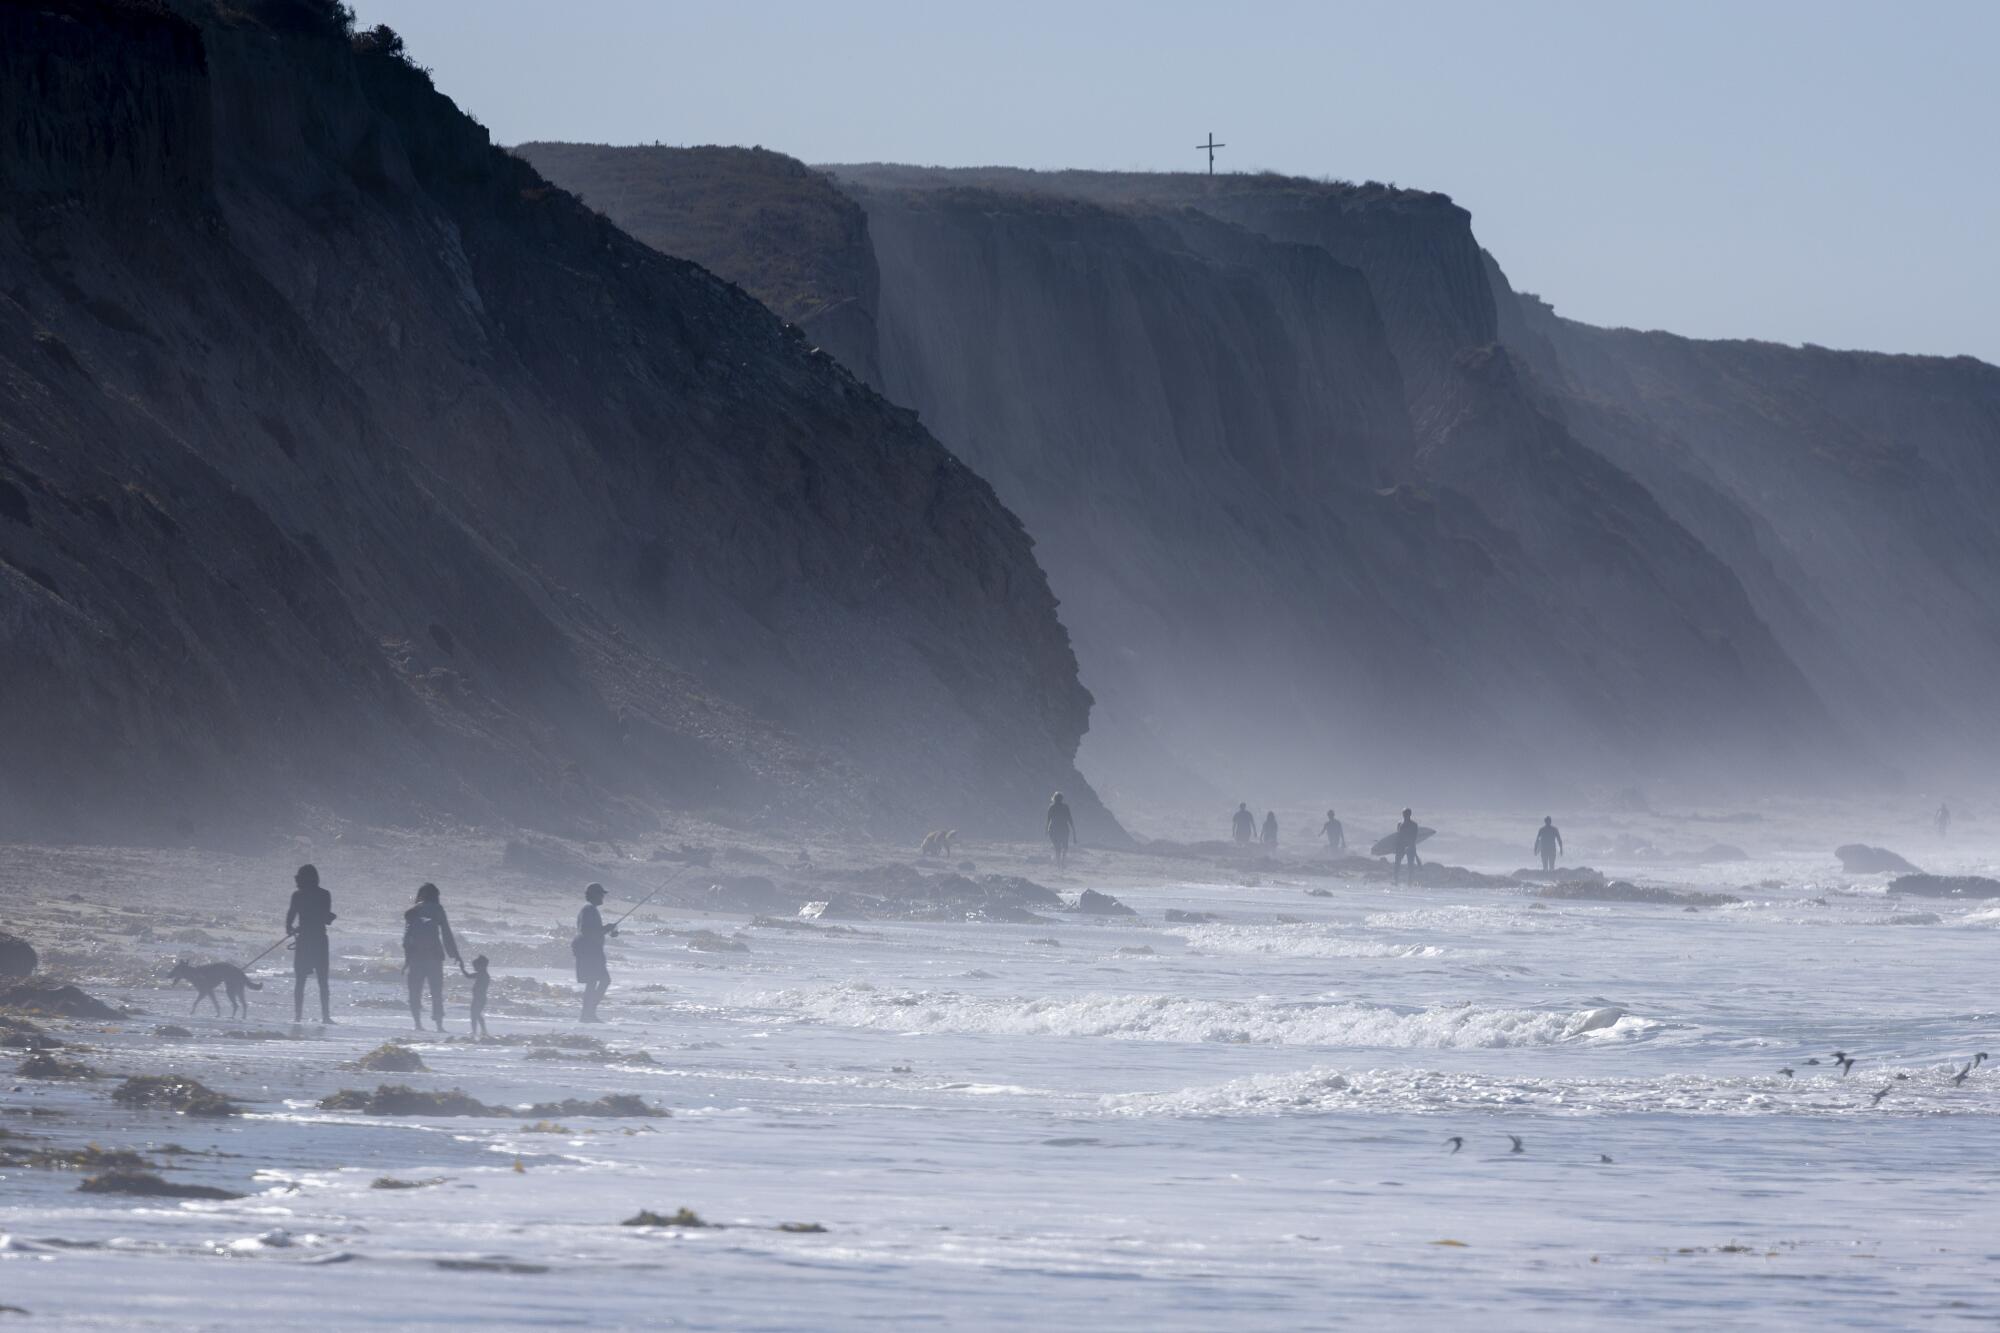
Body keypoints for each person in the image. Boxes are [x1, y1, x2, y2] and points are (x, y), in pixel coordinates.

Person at [401, 882, 460, 1032]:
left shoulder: (413, 911)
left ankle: (417, 1024)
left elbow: (407, 937)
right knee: (436, 991)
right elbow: (446, 933)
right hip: (434, 957)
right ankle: (439, 1025)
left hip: (416, 957)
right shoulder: (438, 909)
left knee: (415, 991)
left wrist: (407, 959)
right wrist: (455, 954)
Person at [284, 863, 336, 1024]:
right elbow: (325, 918)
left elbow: (290, 918)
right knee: (322, 981)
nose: (297, 881)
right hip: (319, 940)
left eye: (299, 878)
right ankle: (325, 1017)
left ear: (305, 879)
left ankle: (298, 1016)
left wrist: (292, 929)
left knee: (300, 980)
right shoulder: (324, 894)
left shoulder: (297, 896)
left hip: (304, 941)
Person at [573, 882, 617, 1023]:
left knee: (594, 982)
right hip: (588, 951)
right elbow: (587, 931)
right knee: (602, 980)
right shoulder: (589, 909)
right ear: (594, 895)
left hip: (589, 950)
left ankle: (588, 1014)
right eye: (601, 894)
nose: (603, 897)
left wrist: (607, 929)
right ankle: (588, 1014)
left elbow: (592, 930)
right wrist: (605, 929)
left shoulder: (590, 909)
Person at [1046, 792, 1076, 868]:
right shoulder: (1056, 807)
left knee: (1060, 848)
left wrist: (1046, 830)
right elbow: (1070, 819)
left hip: (1057, 830)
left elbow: (1048, 820)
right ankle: (1060, 863)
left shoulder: (1053, 807)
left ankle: (1060, 863)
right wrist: (1074, 832)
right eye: (1058, 799)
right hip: (1060, 829)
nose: (1059, 800)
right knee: (1061, 847)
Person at [465, 954, 491, 1039]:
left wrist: (462, 968)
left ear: (482, 966)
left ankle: (474, 1032)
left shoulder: (483, 975)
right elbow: (468, 976)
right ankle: (483, 1031)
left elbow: (468, 976)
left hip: (479, 998)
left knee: (474, 1015)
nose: (475, 968)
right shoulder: (482, 974)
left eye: (476, 967)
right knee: (477, 1015)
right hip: (479, 998)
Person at [1393, 808, 1423, 885]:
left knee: (1410, 866)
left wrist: (1409, 846)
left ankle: (1409, 883)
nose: (1405, 815)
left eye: (1406, 814)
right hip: (1400, 847)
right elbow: (1398, 836)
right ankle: (1395, 881)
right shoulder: (1399, 824)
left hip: (1410, 847)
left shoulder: (1414, 825)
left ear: (1409, 814)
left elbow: (1414, 837)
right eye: (1404, 814)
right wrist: (1396, 847)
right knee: (1397, 865)